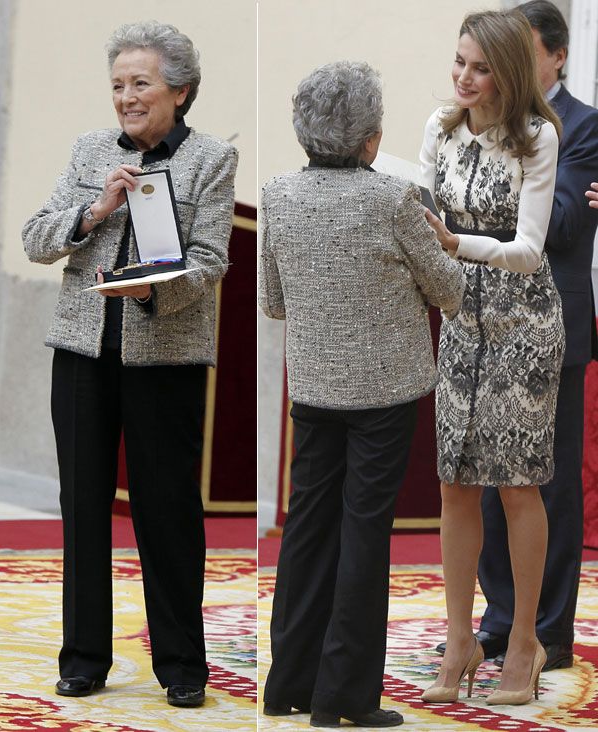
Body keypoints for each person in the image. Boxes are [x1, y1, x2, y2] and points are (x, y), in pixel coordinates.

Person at [22, 21, 237, 707]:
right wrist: (94, 210)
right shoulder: (90, 149)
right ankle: (84, 657)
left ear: (180, 90)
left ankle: (181, 665)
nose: (126, 97)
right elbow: (36, 238)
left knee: (168, 513)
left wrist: (153, 289)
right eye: (118, 85)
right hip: (83, 355)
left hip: (165, 357)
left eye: (140, 83)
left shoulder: (208, 160)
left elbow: (209, 264)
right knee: (82, 507)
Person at [259, 61, 464, 728]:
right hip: (384, 395)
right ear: (372, 139)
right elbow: (450, 292)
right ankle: (344, 699)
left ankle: (288, 683)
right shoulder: (394, 200)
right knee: (363, 536)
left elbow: (273, 301)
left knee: (308, 531)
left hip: (314, 386)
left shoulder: (278, 195)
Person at [420, 9, 564, 705]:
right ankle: (459, 638)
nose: (464, 78)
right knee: (454, 483)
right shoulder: (439, 127)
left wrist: (456, 245)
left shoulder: (538, 138)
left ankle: (528, 640)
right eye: (458, 63)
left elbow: (530, 250)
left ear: (506, 69)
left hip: (523, 321)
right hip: (458, 319)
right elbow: (422, 210)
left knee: (516, 485)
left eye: (479, 66)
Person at [472, 0, 598, 674]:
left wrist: (497, 205)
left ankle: (549, 631)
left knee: (545, 486)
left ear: (556, 55)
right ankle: (498, 622)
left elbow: (563, 223)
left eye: (521, 50)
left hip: (556, 325)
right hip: (489, 319)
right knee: (492, 483)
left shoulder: (583, 126)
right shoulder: (488, 120)